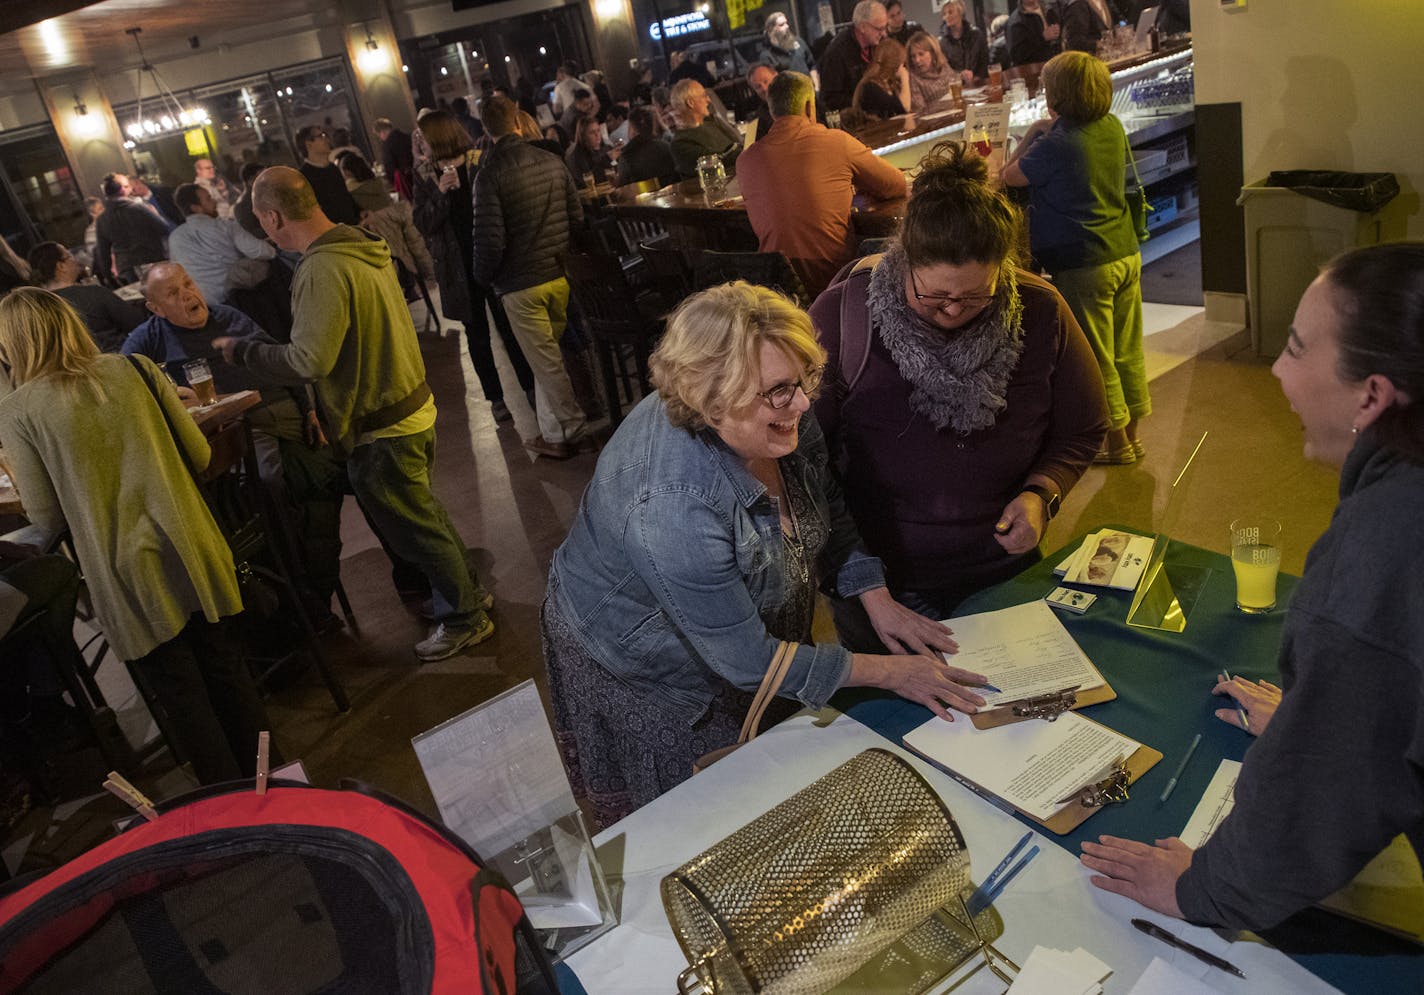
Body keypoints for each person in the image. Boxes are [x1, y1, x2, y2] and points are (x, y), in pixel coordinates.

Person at [543, 281, 985, 827]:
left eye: (804, 381)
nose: (801, 402)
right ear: (710, 401)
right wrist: (894, 673)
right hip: (649, 669)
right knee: (709, 822)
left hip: (736, 646)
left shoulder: (779, 414)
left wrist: (874, 594)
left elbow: (823, 504)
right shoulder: (672, 509)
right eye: (778, 390)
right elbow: (749, 662)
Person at [1080, 242, 1424, 934]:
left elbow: (1326, 790)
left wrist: (1201, 889)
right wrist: (1314, 711)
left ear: (1373, 394)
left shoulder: (1383, 549)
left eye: (1297, 347)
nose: (1273, 368)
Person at [810, 143, 1108, 635]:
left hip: (1001, 573)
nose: (951, 310)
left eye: (973, 297)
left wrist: (1042, 493)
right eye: (933, 296)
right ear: (903, 259)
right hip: (881, 586)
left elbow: (1083, 427)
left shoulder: (1039, 311)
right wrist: (862, 581)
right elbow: (802, 456)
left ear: (1004, 270)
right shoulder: (846, 314)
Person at [215, 167, 494, 662]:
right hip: (408, 404)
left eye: (261, 220)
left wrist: (244, 352)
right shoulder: (361, 244)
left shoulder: (321, 268)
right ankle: (468, 597)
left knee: (417, 531)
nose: (263, 230)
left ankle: (465, 618)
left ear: (273, 216)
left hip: (380, 423)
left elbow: (308, 360)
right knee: (425, 519)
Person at [0, 288, 275, 784]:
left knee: (180, 692)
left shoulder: (19, 411)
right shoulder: (135, 370)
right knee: (227, 667)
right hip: (190, 543)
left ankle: (233, 813)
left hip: (124, 565)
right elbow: (198, 454)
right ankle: (276, 784)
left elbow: (44, 513)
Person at [1003, 51, 1149, 463]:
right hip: (1125, 251)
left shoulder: (1056, 144)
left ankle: (1115, 444)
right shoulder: (1111, 127)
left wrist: (1032, 132)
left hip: (1084, 262)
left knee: (1097, 355)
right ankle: (1133, 435)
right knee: (1127, 349)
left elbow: (1008, 176)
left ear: (1057, 94)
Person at [472, 97, 591, 459]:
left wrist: (483, 277)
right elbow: (577, 218)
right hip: (558, 275)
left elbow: (489, 241)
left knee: (547, 363)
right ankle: (553, 435)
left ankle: (575, 430)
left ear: (485, 130)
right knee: (544, 360)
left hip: (520, 284)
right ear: (518, 123)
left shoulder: (489, 175)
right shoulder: (551, 161)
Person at [410, 110, 535, 425]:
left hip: (492, 256)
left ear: (437, 135)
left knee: (510, 326)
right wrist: (440, 193)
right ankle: (496, 398)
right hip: (457, 266)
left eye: (422, 135)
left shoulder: (480, 159)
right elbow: (423, 223)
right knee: (477, 335)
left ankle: (531, 389)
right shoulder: (424, 174)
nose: (418, 140)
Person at [738, 72, 908, 298]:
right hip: (837, 287)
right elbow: (895, 184)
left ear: (772, 110)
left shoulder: (746, 161)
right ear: (810, 106)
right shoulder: (836, 142)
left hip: (777, 296)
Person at [167, 182, 277, 306]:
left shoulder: (175, 238)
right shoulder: (225, 226)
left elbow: (176, 273)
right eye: (208, 198)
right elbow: (265, 252)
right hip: (242, 299)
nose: (215, 202)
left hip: (206, 306)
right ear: (196, 208)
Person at [341, 153, 437, 292]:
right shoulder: (377, 183)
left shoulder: (353, 191)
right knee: (416, 246)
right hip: (399, 216)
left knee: (398, 257)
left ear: (347, 171)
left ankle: (412, 286)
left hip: (382, 227)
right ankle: (428, 278)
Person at [27, 241, 145, 351]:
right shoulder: (94, 293)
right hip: (120, 359)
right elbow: (137, 324)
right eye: (70, 256)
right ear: (61, 266)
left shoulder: (37, 309)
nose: (75, 260)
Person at [94, 173, 170, 285]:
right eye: (128, 185)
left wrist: (108, 277)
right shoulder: (139, 208)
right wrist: (155, 214)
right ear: (122, 190)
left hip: (126, 268)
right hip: (151, 260)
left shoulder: (101, 219)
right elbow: (164, 228)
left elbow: (103, 252)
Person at [818, 1, 890, 113]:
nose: (884, 34)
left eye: (885, 28)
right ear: (862, 27)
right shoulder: (837, 52)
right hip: (853, 120)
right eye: (879, 29)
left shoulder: (879, 44)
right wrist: (865, 102)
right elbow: (830, 99)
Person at [667, 79, 744, 180]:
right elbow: (717, 162)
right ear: (691, 103)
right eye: (703, 96)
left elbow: (737, 142)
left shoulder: (711, 122)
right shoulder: (680, 143)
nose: (708, 100)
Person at [294, 125, 360, 225]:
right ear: (308, 144)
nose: (327, 139)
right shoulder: (303, 177)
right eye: (321, 136)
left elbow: (345, 196)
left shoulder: (333, 168)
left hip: (353, 227)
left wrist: (361, 212)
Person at [613, 107, 677, 189]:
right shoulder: (666, 147)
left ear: (633, 129)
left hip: (643, 201)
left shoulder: (627, 156)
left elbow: (623, 189)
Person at [851, 38, 911, 120]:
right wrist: (905, 78)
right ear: (896, 65)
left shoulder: (888, 84)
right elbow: (904, 107)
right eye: (902, 63)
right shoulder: (871, 87)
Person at [759, 10, 817, 87]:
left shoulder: (799, 42)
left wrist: (817, 88)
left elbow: (812, 65)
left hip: (810, 92)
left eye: (786, 23)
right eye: (781, 25)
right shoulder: (767, 55)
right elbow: (772, 84)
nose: (787, 26)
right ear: (771, 29)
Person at [939, 0, 989, 82]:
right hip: (958, 85)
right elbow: (944, 69)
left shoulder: (976, 34)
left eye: (950, 12)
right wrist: (960, 75)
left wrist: (977, 77)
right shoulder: (942, 42)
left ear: (960, 13)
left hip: (979, 81)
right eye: (944, 14)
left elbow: (985, 61)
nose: (947, 16)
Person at [905, 30, 954, 112]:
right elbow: (920, 110)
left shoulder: (944, 67)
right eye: (913, 56)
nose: (917, 60)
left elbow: (959, 90)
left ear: (933, 53)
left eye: (921, 54)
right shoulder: (913, 77)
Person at [1007, 0, 1062, 67]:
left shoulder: (1049, 8)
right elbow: (1016, 55)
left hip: (1057, 62)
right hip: (1034, 70)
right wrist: (1043, 38)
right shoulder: (1015, 21)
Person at [565, 115, 614, 186]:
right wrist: (607, 159)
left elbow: (616, 169)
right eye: (592, 132)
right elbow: (590, 179)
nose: (597, 135)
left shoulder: (607, 148)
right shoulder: (576, 156)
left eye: (598, 130)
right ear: (583, 136)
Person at [374, 117, 415, 200]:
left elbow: (390, 167)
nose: (380, 138)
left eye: (378, 135)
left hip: (404, 180)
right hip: (417, 173)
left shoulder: (387, 145)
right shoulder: (407, 136)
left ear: (382, 132)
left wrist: (391, 180)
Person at [745, 63, 777, 143]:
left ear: (777, 76)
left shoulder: (802, 98)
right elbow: (749, 148)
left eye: (766, 81)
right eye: (758, 87)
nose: (764, 89)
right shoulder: (755, 122)